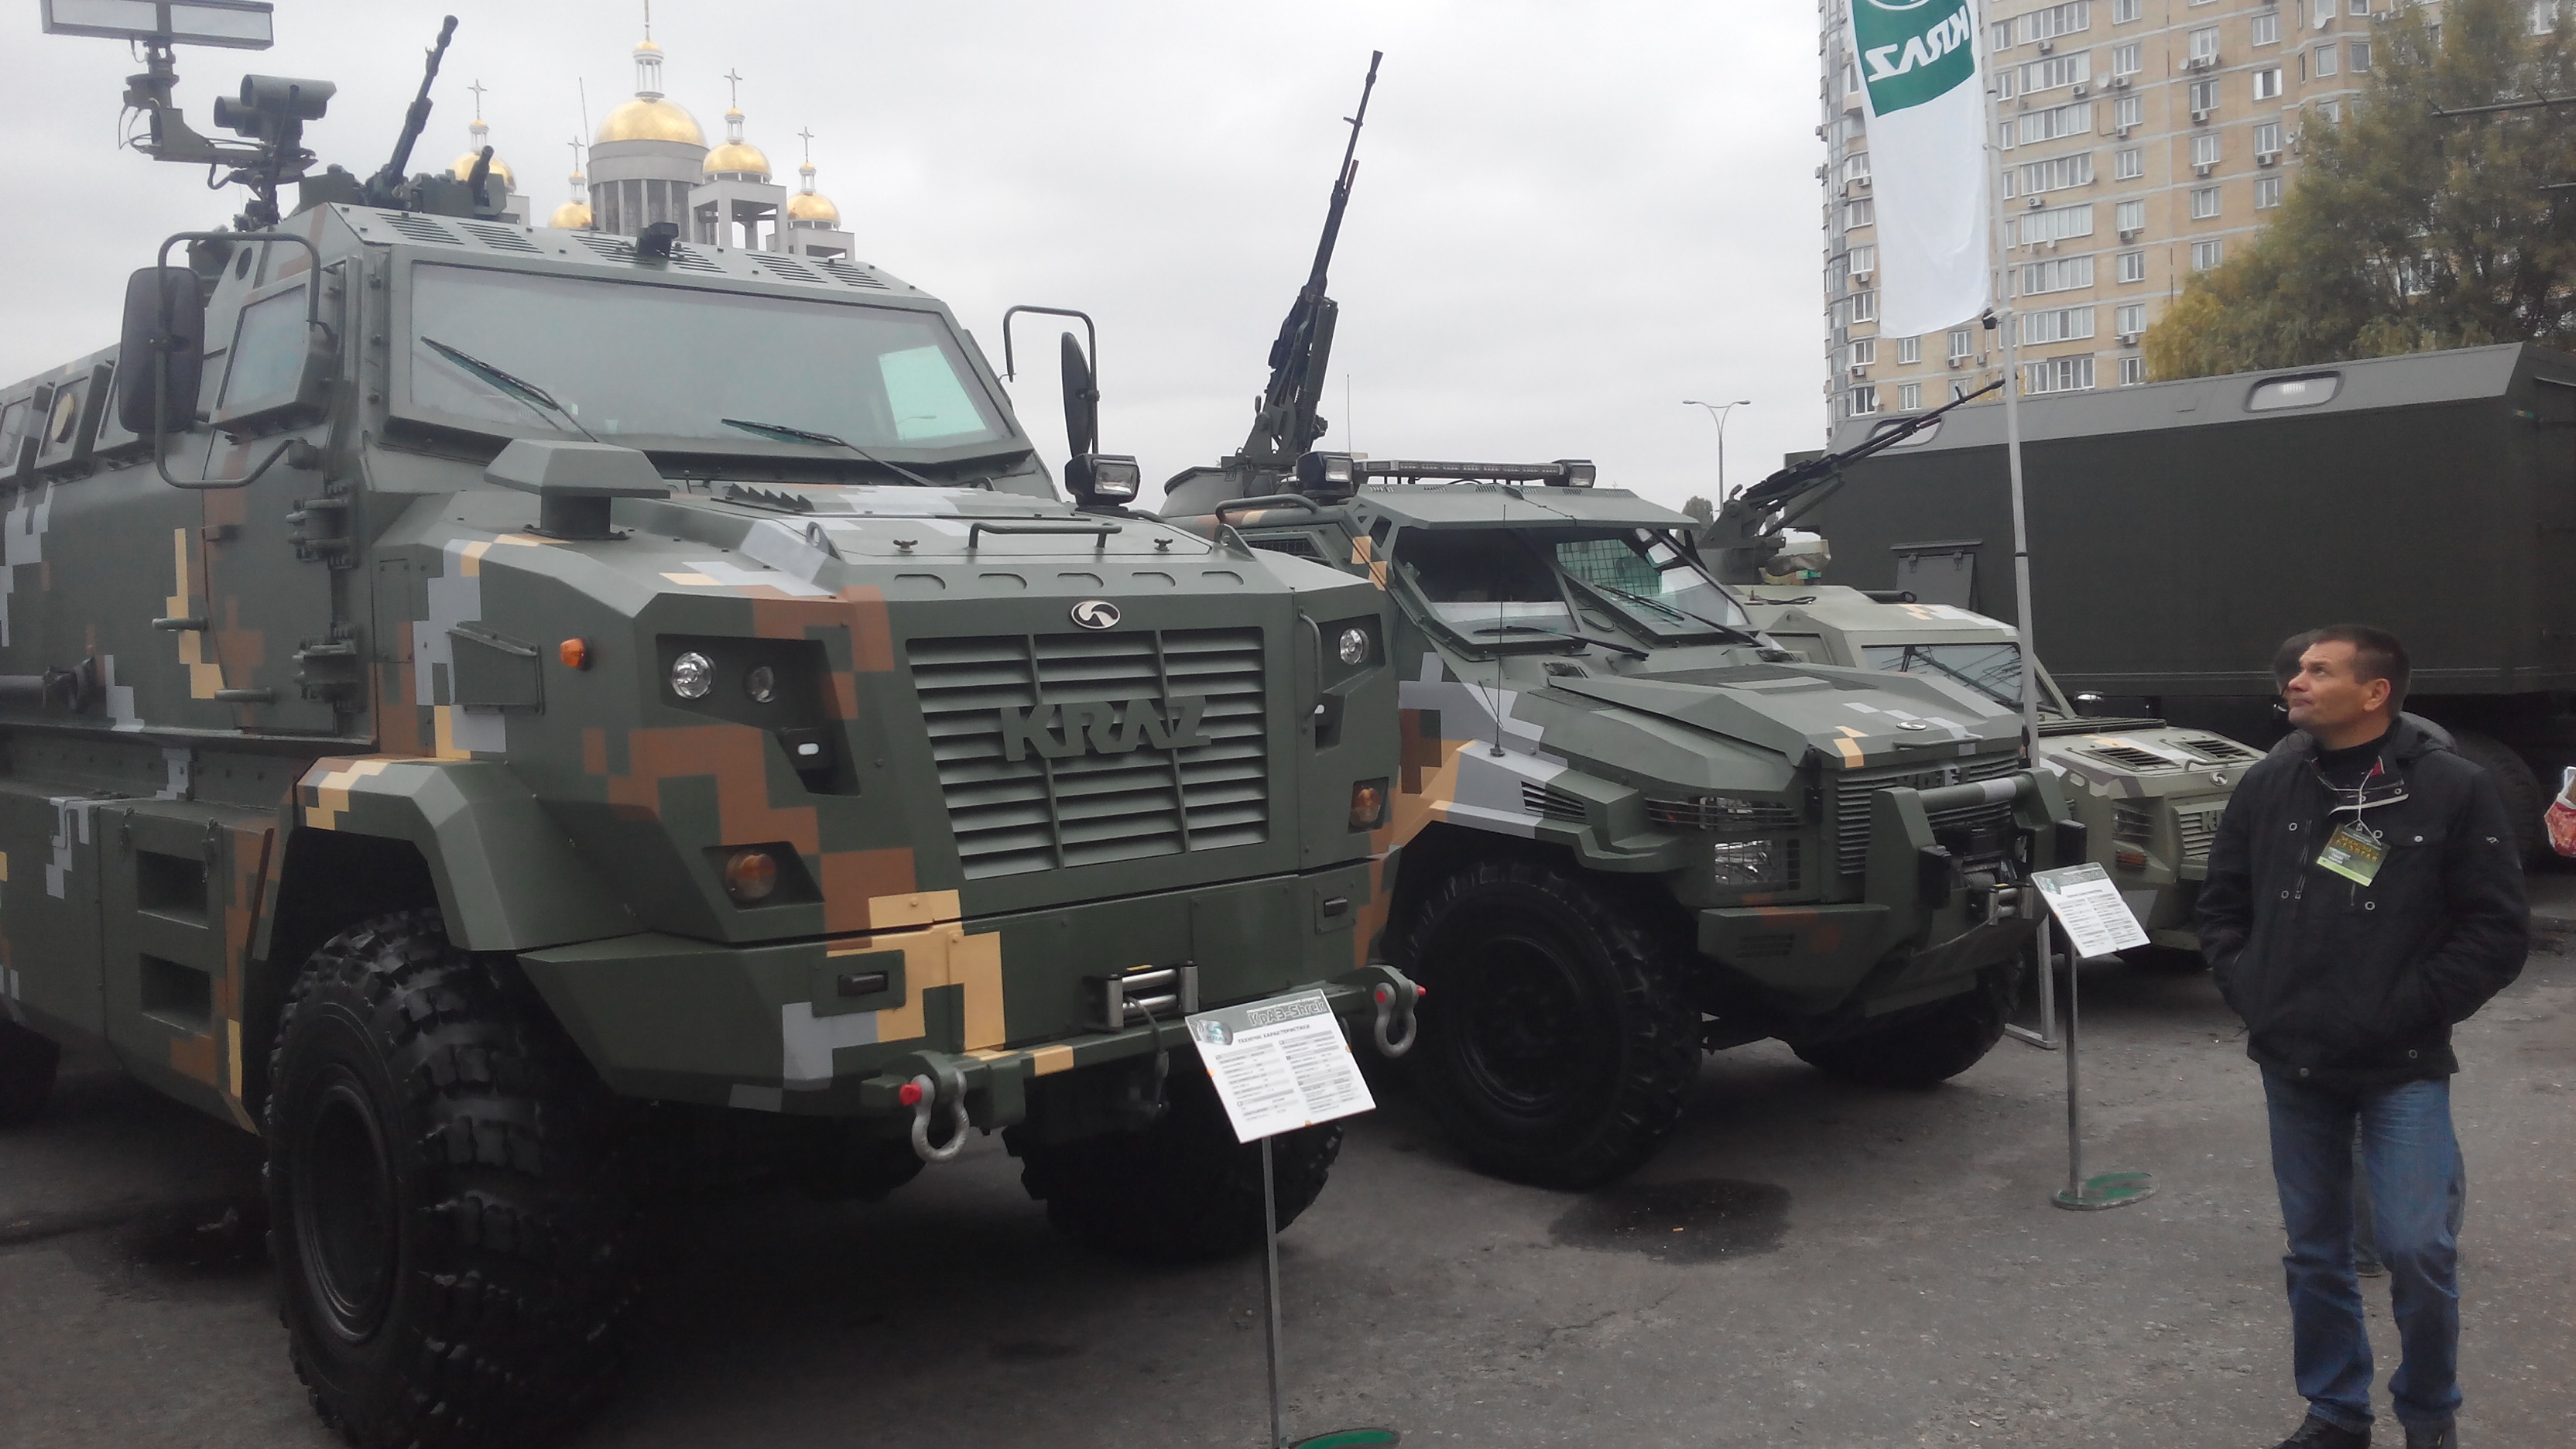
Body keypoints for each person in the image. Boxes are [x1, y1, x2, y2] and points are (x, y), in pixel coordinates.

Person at [2200, 625, 2527, 1449]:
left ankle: (2428, 1415)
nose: (2296, 680)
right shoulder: (2270, 781)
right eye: (2298, 670)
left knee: (2417, 1250)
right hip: (2293, 1058)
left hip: (2400, 1061)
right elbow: (2222, 903)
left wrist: (2412, 1005)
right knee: (2317, 1254)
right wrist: (2252, 990)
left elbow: (2495, 929)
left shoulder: (2452, 787)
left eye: (2319, 671)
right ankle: (2336, 1412)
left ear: (2375, 692)